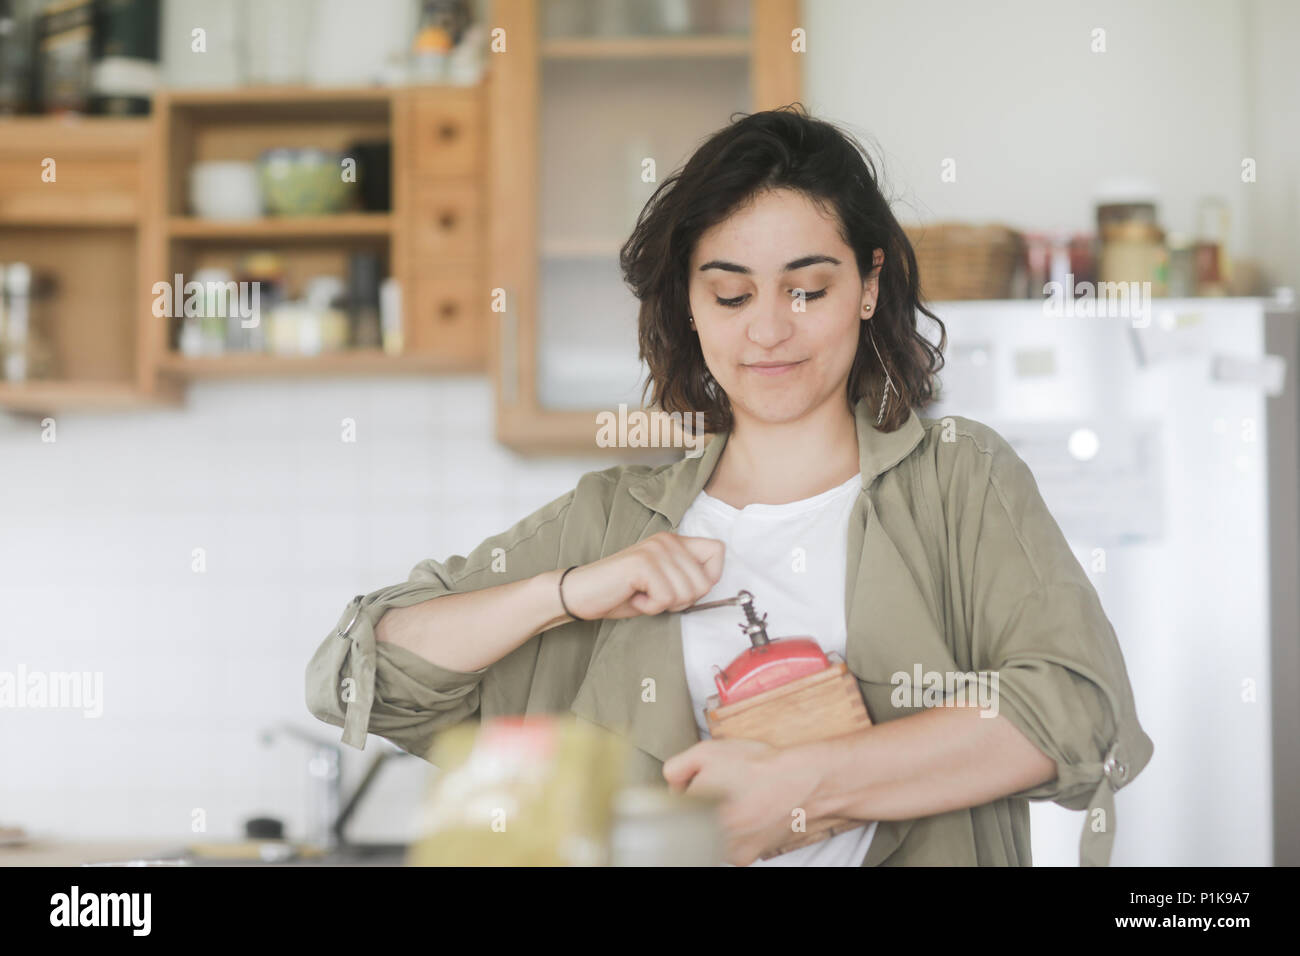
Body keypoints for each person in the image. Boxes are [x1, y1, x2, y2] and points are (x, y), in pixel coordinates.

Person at [306, 104, 1153, 867]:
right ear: (691, 305)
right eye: (732, 294)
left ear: (870, 284)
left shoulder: (958, 480)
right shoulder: (614, 520)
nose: (769, 328)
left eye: (808, 288)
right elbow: (364, 676)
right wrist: (567, 591)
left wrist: (800, 789)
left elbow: (1076, 708)